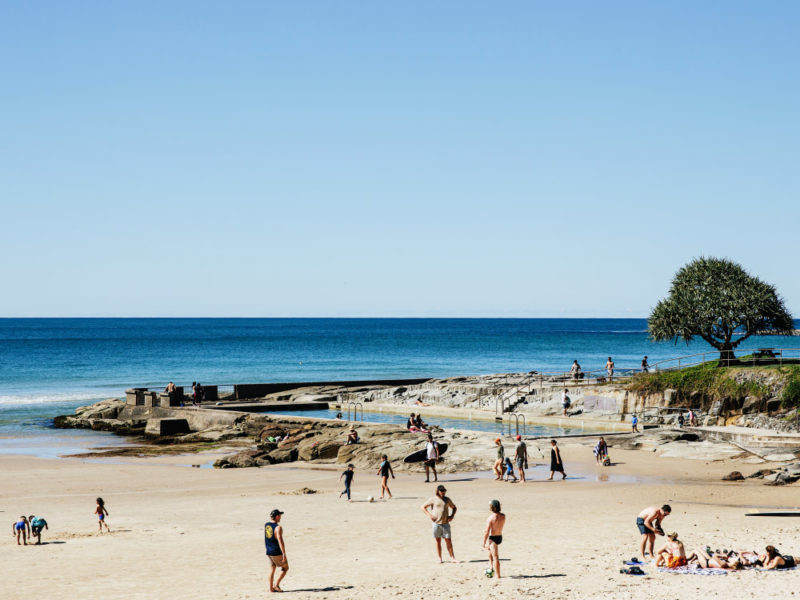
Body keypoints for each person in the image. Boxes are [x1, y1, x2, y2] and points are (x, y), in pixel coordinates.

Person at [421, 484, 457, 563]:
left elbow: (454, 507)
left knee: (448, 540)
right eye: (441, 491)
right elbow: (423, 507)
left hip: (445, 523)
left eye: (444, 491)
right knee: (438, 541)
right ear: (438, 491)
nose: (443, 492)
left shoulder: (447, 499)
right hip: (436, 523)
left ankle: (452, 558)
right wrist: (430, 515)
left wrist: (451, 516)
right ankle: (439, 558)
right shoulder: (433, 499)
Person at [264, 509, 288, 593]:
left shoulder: (267, 525)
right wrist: (284, 554)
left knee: (272, 568)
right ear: (277, 516)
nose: (280, 517)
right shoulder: (278, 527)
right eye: (280, 515)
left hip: (268, 551)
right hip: (276, 551)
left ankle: (271, 588)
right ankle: (276, 585)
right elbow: (280, 540)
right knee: (285, 568)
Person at [483, 500, 506, 579]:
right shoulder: (503, 516)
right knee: (490, 552)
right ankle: (491, 566)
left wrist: (484, 542)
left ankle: (498, 575)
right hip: (499, 536)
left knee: (495, 557)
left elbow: (487, 531)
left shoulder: (490, 518)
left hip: (493, 538)